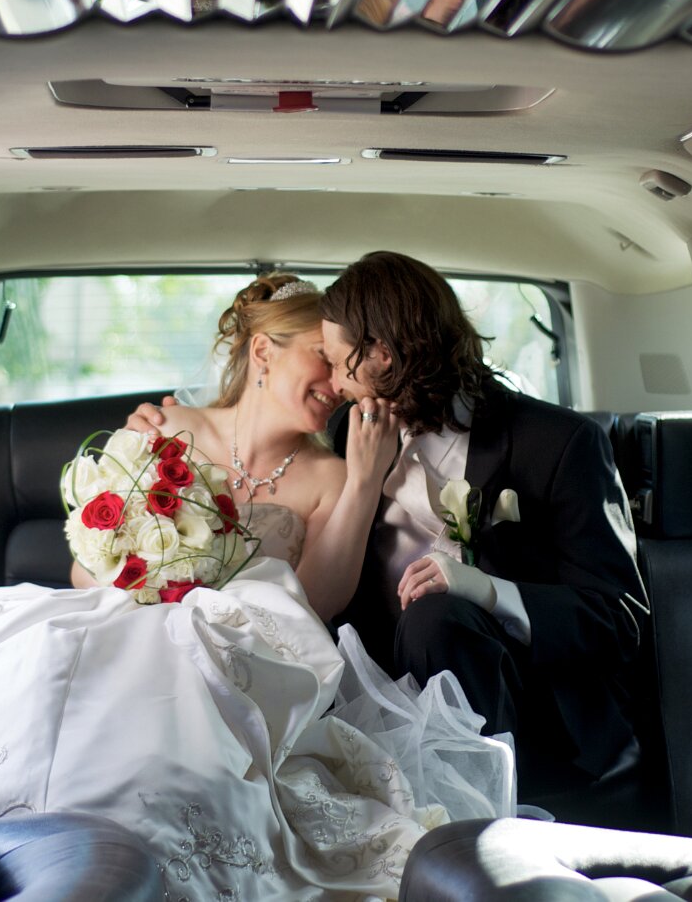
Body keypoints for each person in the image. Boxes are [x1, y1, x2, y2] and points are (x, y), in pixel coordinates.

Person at [0, 273, 514, 901]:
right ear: (263, 351)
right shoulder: (160, 427)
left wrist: (364, 482)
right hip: (119, 622)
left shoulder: (331, 473)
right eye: (321, 358)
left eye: (343, 365)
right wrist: (153, 574)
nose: (337, 383)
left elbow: (316, 604)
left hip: (235, 659)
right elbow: (83, 570)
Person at [133, 253, 651, 816]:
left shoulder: (558, 442)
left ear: (381, 352)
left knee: (437, 617)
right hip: (374, 700)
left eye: (337, 363)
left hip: (530, 709)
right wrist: (157, 435)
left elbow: (619, 620)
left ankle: (473, 822)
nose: (333, 384)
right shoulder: (345, 428)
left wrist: (487, 591)